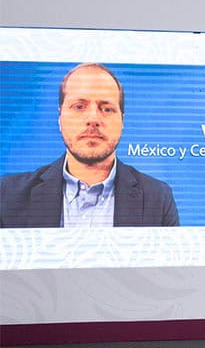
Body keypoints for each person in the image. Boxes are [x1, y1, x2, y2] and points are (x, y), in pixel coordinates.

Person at [0, 63, 179, 228]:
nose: (93, 119)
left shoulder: (158, 198)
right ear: (60, 118)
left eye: (107, 109)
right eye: (79, 107)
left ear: (122, 121)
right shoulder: (6, 196)